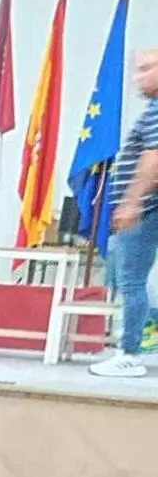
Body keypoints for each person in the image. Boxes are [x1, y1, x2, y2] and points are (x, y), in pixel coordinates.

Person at [91, 48, 158, 378]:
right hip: (144, 207)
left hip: (146, 208)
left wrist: (132, 202)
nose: (137, 77)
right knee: (126, 277)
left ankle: (129, 354)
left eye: (147, 69)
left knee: (131, 281)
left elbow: (153, 157)